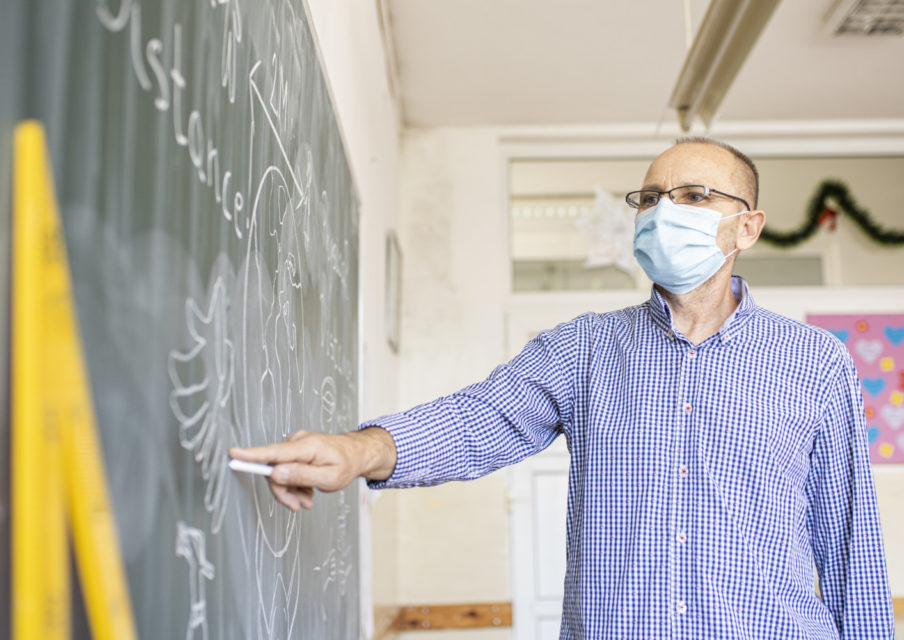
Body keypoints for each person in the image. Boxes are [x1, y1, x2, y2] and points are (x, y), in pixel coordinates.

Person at [230, 138, 895, 638]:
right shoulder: (583, 349)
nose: (666, 211)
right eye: (652, 197)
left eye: (694, 196)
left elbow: (849, 543)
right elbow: (478, 420)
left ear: (748, 227)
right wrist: (357, 451)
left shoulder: (813, 362)